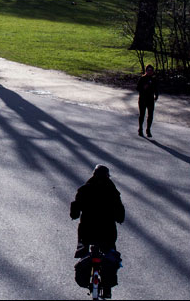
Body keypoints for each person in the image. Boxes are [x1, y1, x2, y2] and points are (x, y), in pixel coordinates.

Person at [70, 164, 125, 296]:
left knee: (84, 253)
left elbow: (75, 211)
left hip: (87, 231)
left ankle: (85, 271)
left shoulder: (84, 190)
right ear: (107, 176)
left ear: (93, 175)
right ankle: (107, 287)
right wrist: (119, 218)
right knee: (110, 255)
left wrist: (75, 214)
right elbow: (120, 214)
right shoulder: (112, 191)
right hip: (107, 232)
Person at [137, 64, 159, 137]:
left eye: (151, 70)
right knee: (142, 114)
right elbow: (137, 88)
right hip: (143, 99)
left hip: (150, 99)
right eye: (148, 70)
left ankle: (148, 130)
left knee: (150, 115)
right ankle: (140, 129)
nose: (150, 72)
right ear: (146, 71)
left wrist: (156, 95)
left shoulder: (154, 79)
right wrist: (143, 87)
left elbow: (156, 88)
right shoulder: (142, 79)